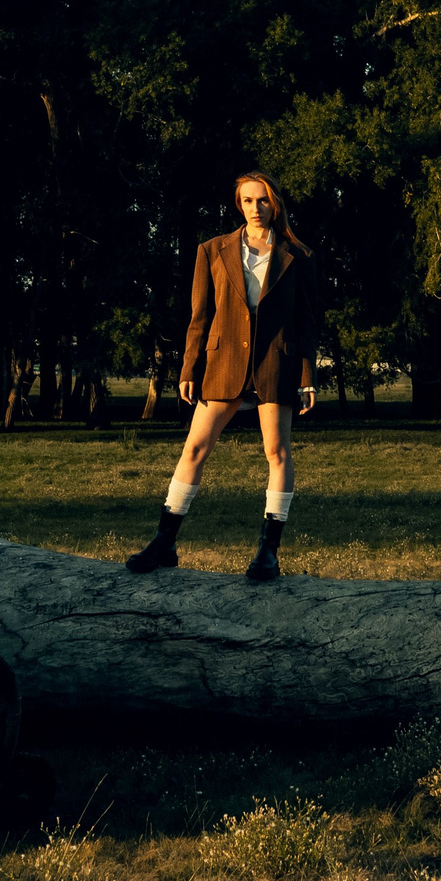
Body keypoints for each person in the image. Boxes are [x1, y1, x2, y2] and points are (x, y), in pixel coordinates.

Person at [126, 171, 319, 582]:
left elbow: (306, 322)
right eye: (248, 201)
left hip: (275, 363)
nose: (255, 208)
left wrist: (307, 377)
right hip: (223, 362)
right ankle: (164, 543)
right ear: (239, 205)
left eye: (262, 200)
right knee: (194, 448)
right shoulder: (212, 250)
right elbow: (200, 315)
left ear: (275, 203)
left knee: (277, 453)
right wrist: (189, 367)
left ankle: (268, 553)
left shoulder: (297, 255)